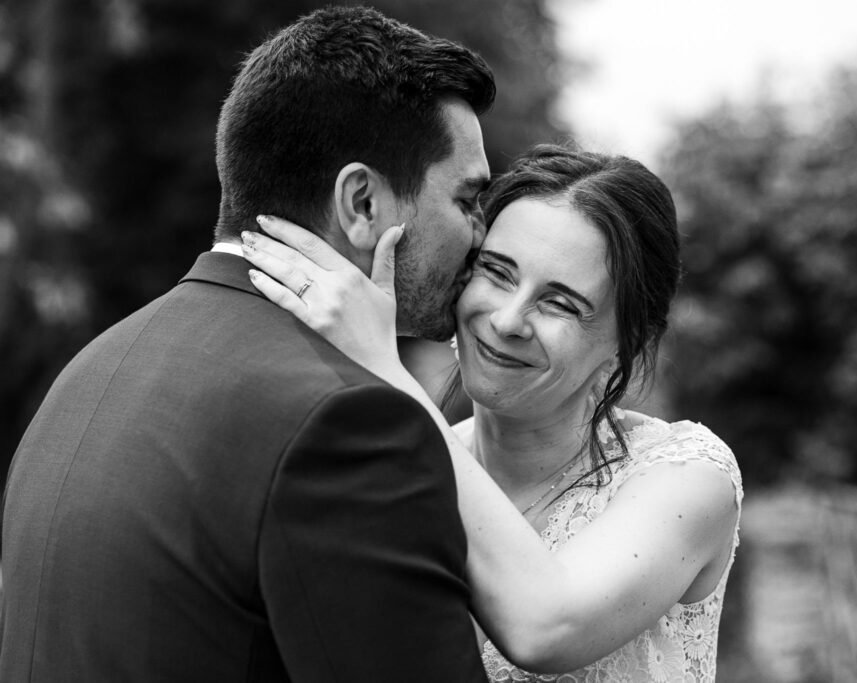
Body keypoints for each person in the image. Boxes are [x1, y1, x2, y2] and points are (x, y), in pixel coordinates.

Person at [0, 7, 494, 681]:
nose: (480, 236)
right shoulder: (350, 422)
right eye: (467, 201)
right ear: (363, 204)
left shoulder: (87, 373)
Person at [242, 144, 743, 682]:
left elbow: (547, 628)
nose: (507, 319)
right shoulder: (402, 465)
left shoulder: (688, 477)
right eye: (497, 272)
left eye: (561, 303)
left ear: (626, 341)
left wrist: (384, 370)